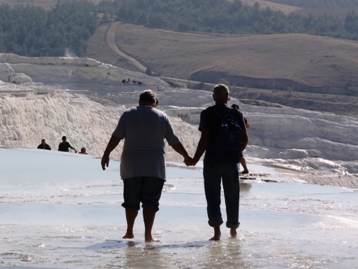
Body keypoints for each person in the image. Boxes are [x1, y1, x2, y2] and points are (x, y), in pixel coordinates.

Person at [101, 90, 192, 243]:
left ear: (139, 101)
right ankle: (148, 235)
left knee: (131, 200)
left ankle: (129, 231)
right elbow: (173, 141)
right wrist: (186, 156)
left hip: (131, 166)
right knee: (150, 202)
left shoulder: (128, 114)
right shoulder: (162, 116)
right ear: (155, 102)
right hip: (154, 167)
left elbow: (116, 136)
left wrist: (106, 153)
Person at [188, 84, 248, 241]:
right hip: (231, 162)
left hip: (213, 160)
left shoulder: (207, 113)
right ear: (228, 97)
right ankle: (233, 229)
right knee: (232, 195)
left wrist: (195, 159)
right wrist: (235, 152)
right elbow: (245, 140)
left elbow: (205, 139)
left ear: (213, 97)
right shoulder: (237, 114)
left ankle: (216, 232)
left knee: (213, 195)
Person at [232, 104, 250, 175]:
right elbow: (247, 125)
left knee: (237, 154)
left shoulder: (229, 115)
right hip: (239, 138)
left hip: (231, 137)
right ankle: (244, 169)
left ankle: (239, 169)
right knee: (239, 154)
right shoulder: (240, 116)